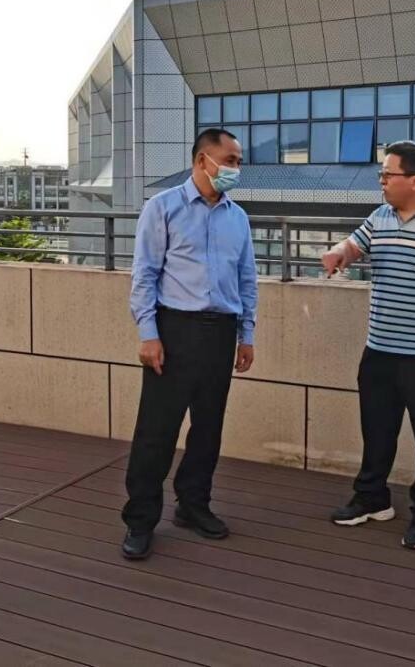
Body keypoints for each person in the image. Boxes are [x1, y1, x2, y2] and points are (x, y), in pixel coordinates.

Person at [321, 141, 415, 551]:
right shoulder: (380, 217)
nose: (382, 181)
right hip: (379, 349)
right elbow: (355, 245)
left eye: (388, 175)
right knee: (377, 430)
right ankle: (372, 498)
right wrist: (338, 252)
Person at [121, 128, 258, 560]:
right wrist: (148, 333)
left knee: (208, 427)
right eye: (230, 160)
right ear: (203, 160)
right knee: (157, 430)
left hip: (222, 331)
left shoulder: (238, 217)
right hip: (174, 329)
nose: (236, 168)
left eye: (238, 162)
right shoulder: (163, 207)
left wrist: (247, 334)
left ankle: (193, 504)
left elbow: (247, 279)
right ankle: (141, 519)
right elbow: (144, 274)